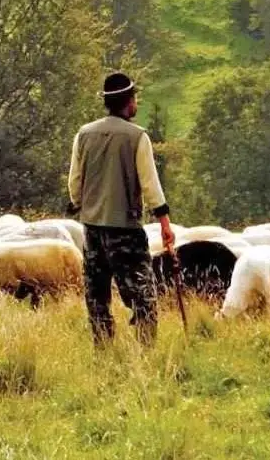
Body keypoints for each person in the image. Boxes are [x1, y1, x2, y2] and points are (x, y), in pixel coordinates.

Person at [66, 73, 175, 346]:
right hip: (125, 231)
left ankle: (104, 349)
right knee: (142, 296)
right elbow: (150, 185)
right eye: (135, 98)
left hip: (91, 229)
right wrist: (164, 224)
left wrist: (82, 205)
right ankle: (145, 352)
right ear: (129, 102)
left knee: (97, 296)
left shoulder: (84, 134)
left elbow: (74, 182)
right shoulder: (137, 137)